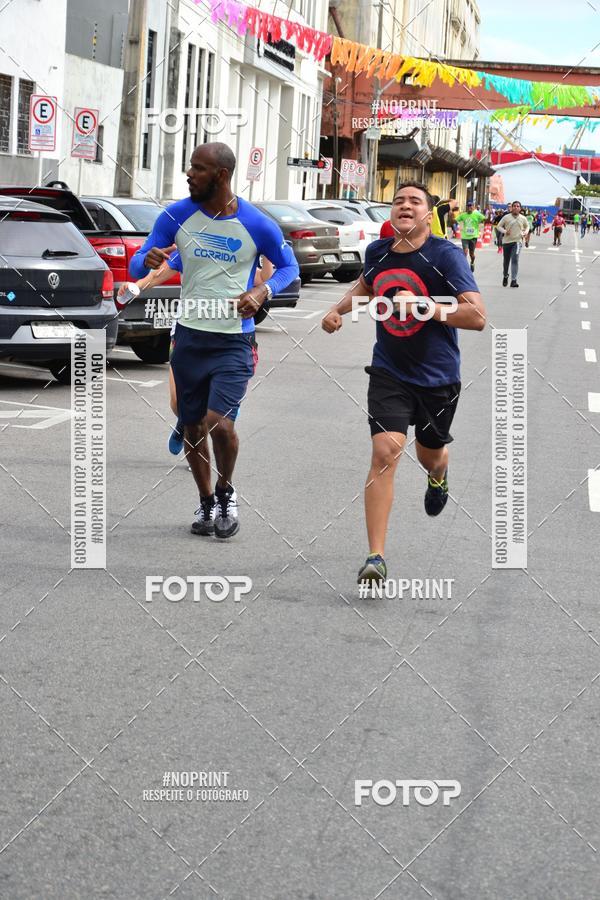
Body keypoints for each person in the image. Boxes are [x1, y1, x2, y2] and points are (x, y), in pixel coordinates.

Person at [129, 142, 299, 538]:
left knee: (220, 424)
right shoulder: (177, 214)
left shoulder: (257, 223)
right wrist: (148, 258)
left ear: (221, 175)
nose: (189, 174)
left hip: (233, 342)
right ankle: (206, 501)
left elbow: (290, 267)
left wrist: (263, 292)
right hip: (190, 338)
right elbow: (140, 259)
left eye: (199, 169)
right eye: (191, 167)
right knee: (191, 427)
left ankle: (225, 492)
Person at [321, 182, 486, 587]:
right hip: (389, 371)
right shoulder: (379, 252)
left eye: (415, 202)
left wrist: (429, 308)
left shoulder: (445, 257)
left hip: (437, 377)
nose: (405, 206)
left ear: (429, 214)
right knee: (385, 451)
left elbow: (477, 315)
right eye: (398, 201)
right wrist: (337, 310)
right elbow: (365, 287)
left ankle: (439, 471)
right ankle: (375, 556)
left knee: (430, 454)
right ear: (391, 213)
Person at [496, 201, 529, 287]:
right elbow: (498, 226)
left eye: (518, 206)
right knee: (506, 261)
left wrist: (525, 232)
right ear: (511, 208)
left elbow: (527, 226)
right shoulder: (506, 217)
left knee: (515, 259)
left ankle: (514, 280)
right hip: (507, 242)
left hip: (517, 241)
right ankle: (505, 275)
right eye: (514, 206)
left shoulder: (523, 218)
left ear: (520, 208)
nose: (516, 207)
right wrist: (505, 231)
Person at [455, 199, 485, 272]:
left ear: (473, 207)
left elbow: (485, 219)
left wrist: (487, 217)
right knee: (465, 252)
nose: (469, 207)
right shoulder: (463, 215)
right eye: (468, 206)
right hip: (465, 236)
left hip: (473, 237)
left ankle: (472, 262)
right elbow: (455, 220)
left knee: (472, 254)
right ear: (466, 207)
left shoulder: (477, 214)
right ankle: (464, 267)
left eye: (471, 206)